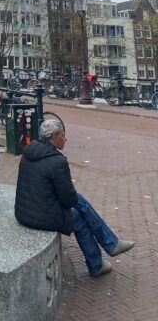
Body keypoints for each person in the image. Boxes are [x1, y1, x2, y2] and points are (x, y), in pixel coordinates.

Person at [14, 119, 134, 277]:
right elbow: (68, 200)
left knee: (80, 200)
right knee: (78, 217)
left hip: (25, 211)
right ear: (55, 137)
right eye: (63, 135)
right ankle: (100, 260)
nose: (65, 139)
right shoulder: (57, 161)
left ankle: (110, 245)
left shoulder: (29, 153)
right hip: (39, 216)